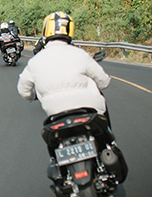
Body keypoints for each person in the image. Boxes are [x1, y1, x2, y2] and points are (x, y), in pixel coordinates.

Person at [17, 11, 115, 149]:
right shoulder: (80, 54)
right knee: (104, 136)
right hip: (89, 109)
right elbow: (104, 82)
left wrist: (34, 96)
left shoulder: (35, 61)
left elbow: (23, 90)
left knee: (53, 144)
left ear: (46, 29)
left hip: (55, 113)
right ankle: (109, 145)